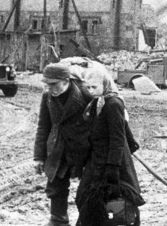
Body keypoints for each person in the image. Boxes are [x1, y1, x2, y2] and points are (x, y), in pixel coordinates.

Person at [75, 67, 145, 225]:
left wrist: (112, 168)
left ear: (104, 84)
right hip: (97, 160)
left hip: (113, 162)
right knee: (84, 198)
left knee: (117, 204)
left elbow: (118, 138)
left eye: (94, 87)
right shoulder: (96, 103)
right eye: (88, 87)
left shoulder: (113, 104)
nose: (91, 91)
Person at [34, 63, 94, 226]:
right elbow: (43, 126)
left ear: (67, 80)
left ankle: (88, 220)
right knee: (56, 186)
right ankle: (58, 220)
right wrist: (39, 156)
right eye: (47, 84)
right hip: (58, 146)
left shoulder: (85, 93)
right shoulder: (47, 96)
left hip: (83, 147)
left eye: (54, 84)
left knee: (89, 187)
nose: (50, 88)